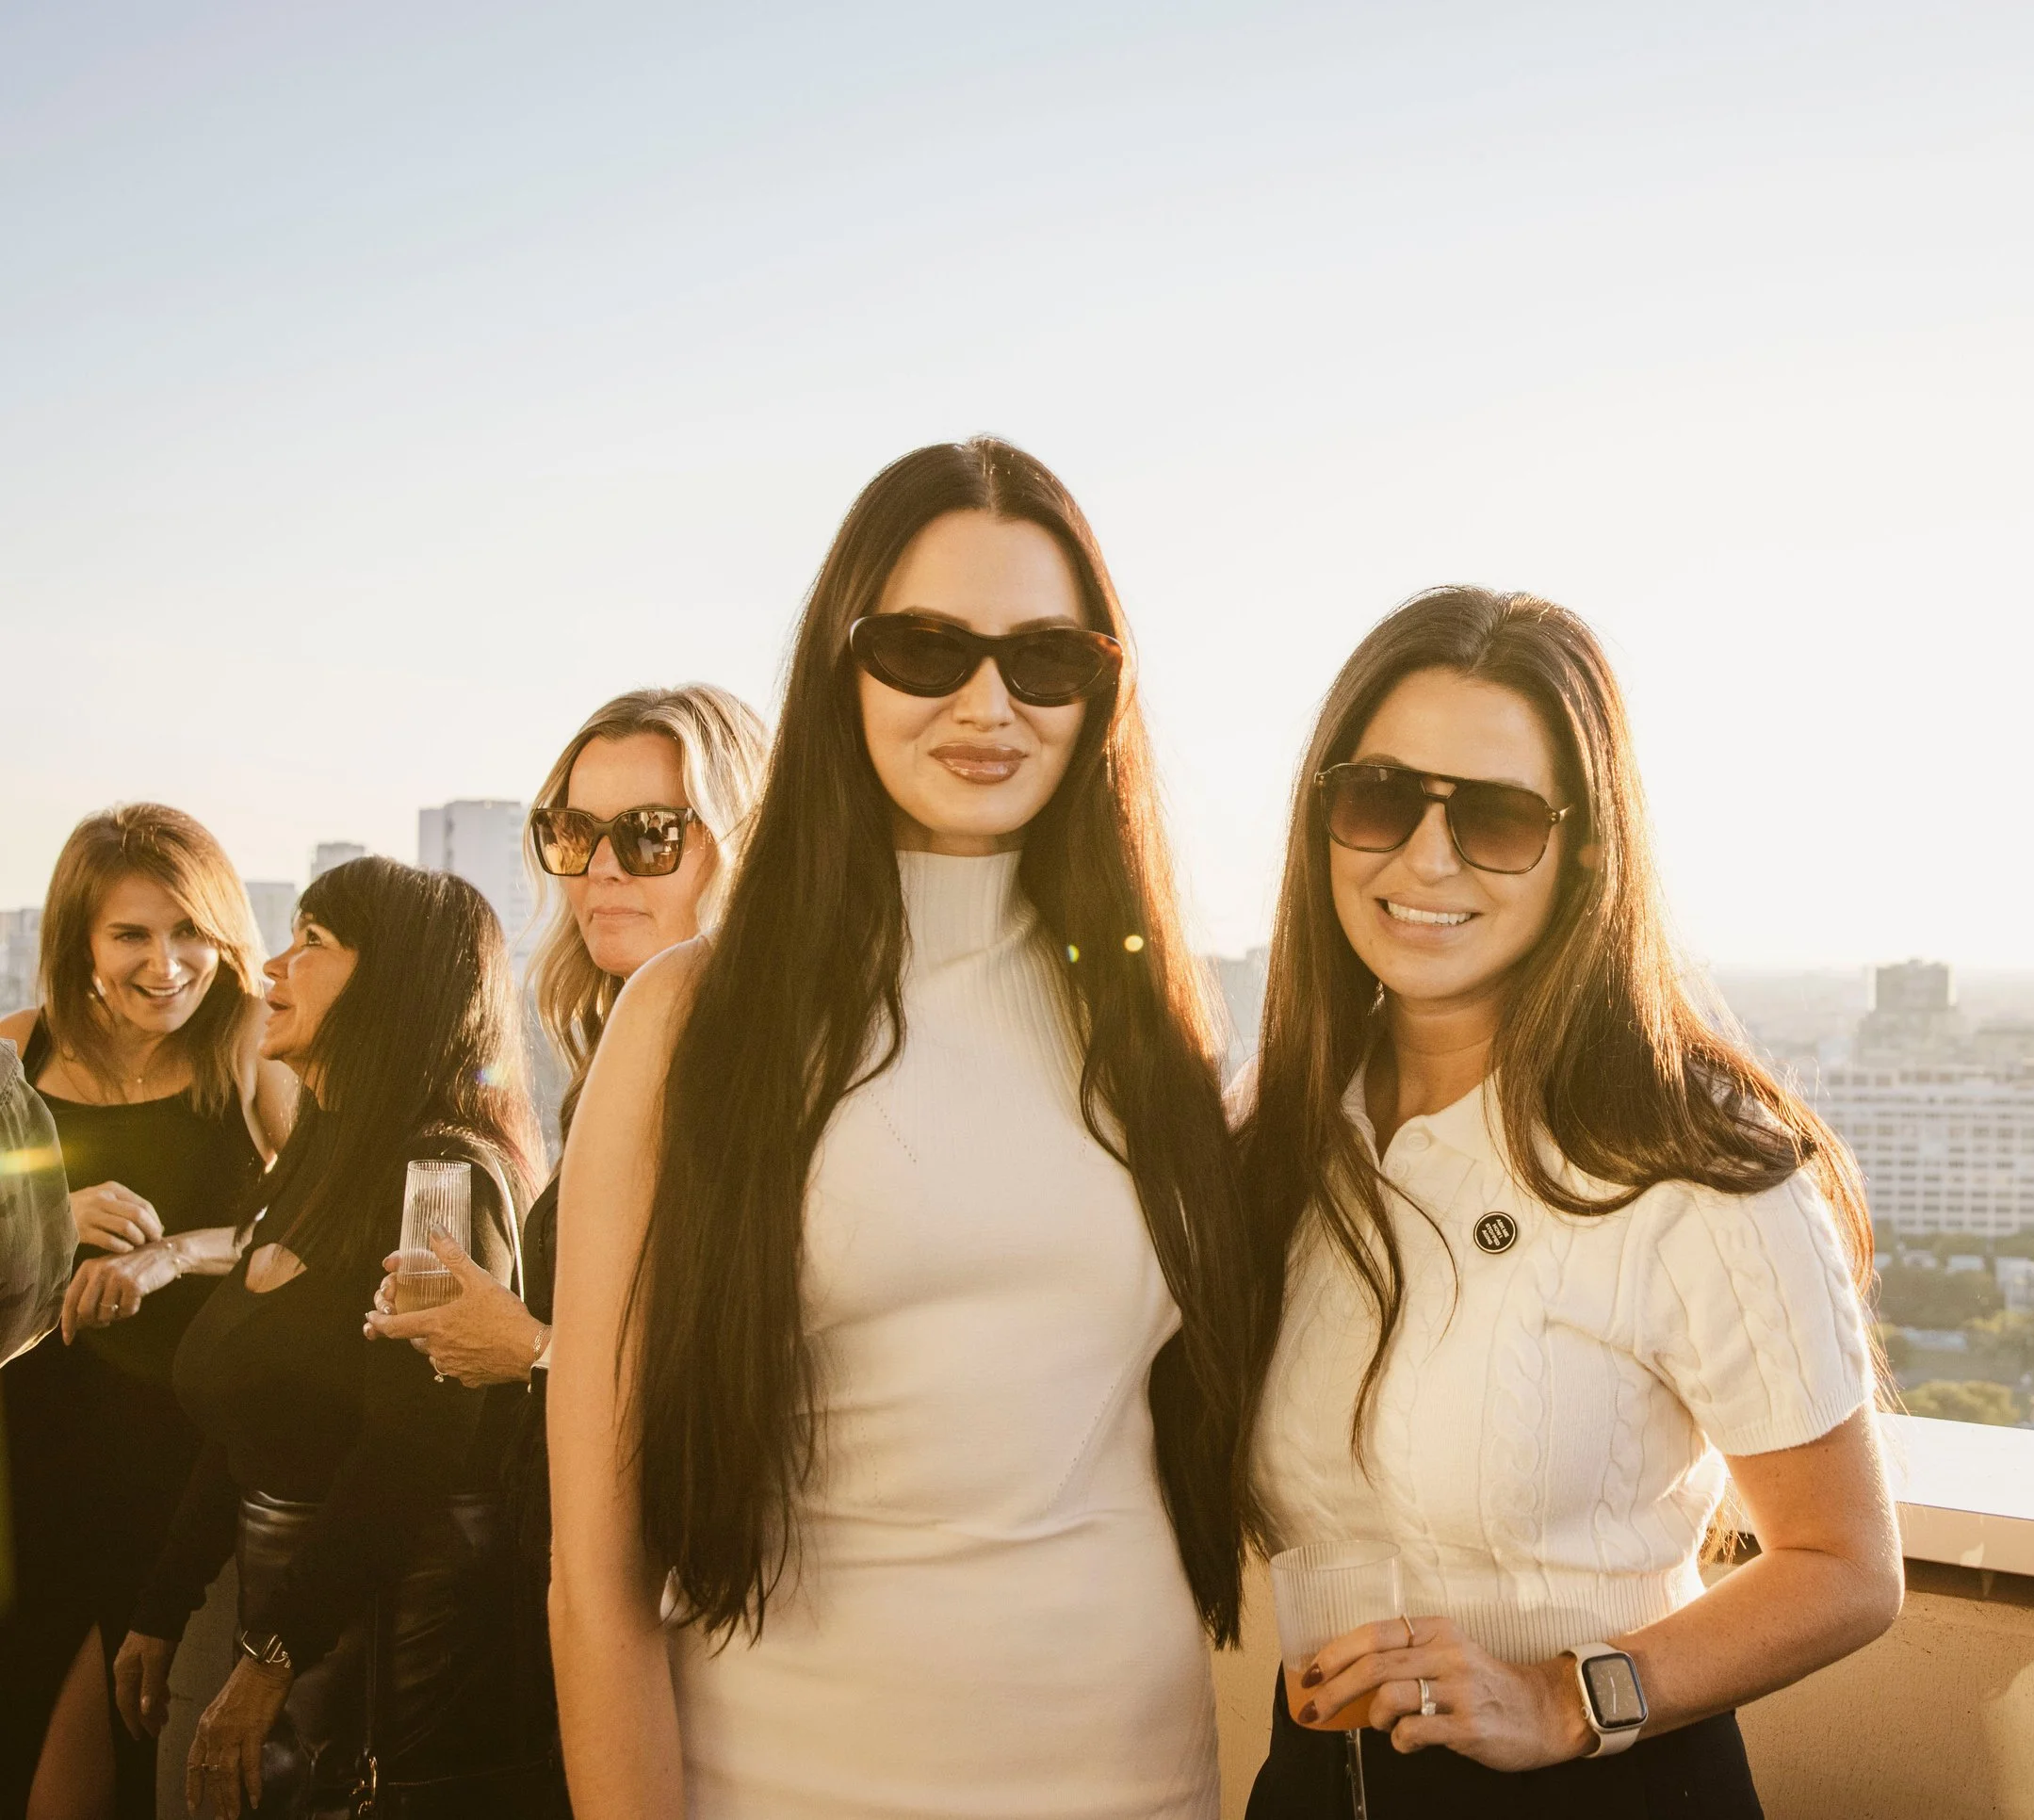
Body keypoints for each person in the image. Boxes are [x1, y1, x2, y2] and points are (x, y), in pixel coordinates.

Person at [549, 438, 1257, 1819]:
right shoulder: (689, 1023)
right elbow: (596, 1569)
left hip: (1134, 1772)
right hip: (783, 1774)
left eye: (1047, 660)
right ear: (840, 668)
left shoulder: (1156, 1020)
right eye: (926, 648)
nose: (989, 703)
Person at [1237, 589, 1902, 1819]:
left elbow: (1847, 1566)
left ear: (1586, 848)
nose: (1425, 860)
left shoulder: (1692, 1163)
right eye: (1381, 796)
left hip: (1600, 1796)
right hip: (1312, 1790)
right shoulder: (1271, 1136)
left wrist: (1568, 1699)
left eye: (1494, 819)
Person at [361, 684, 770, 1808]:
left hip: (700, 1646)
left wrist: (529, 1347)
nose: (600, 869)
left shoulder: (754, 1082)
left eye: (648, 835)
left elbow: (750, 1382)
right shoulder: (612, 1063)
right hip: (581, 1600)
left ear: (740, 846)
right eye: (572, 832)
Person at [112, 858, 552, 1820]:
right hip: (306, 1647)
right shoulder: (314, 1167)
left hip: (388, 1684)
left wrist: (268, 1664)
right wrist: (163, 1604)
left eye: (311, 942)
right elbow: (246, 1421)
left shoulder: (437, 1178)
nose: (272, 966)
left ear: (392, 980)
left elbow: (412, 1453)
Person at [0, 804, 301, 1820]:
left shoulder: (254, 1046)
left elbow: (325, 1235)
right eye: (131, 934)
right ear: (79, 938)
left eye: (190, 933)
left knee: (129, 1756)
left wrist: (179, 1253)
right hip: (27, 1458)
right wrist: (48, 1216)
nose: (166, 964)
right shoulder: (13, 1058)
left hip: (180, 1463)